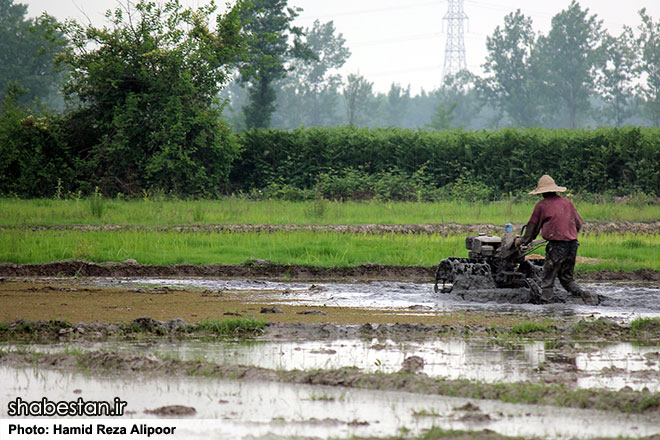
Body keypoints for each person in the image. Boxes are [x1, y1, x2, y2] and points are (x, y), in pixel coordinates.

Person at [518, 175, 599, 305]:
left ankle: (546, 304)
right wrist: (568, 234)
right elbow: (578, 223)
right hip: (572, 244)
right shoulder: (567, 203)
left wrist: (523, 241)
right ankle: (584, 294)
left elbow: (532, 228)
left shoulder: (541, 206)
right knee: (567, 278)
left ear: (542, 192)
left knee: (548, 277)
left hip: (556, 246)